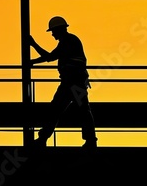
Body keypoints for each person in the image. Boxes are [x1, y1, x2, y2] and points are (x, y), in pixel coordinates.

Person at [30, 16, 97, 150]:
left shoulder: (68, 41)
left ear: (59, 30)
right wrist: (32, 62)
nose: (53, 34)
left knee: (55, 109)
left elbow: (49, 57)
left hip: (71, 83)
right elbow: (51, 56)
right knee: (83, 111)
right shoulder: (70, 40)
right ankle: (90, 141)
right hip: (77, 82)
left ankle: (43, 138)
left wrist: (33, 44)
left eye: (53, 31)